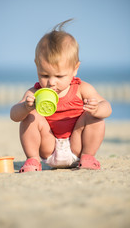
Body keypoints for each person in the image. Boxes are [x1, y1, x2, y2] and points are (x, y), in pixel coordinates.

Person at [10, 19, 112, 172]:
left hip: (76, 147)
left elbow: (107, 108)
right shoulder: (35, 92)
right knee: (30, 117)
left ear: (75, 69)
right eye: (44, 75)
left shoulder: (81, 88)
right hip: (48, 148)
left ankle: (89, 156)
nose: (51, 82)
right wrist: (25, 107)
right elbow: (14, 115)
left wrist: (97, 109)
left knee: (95, 118)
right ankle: (33, 160)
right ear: (36, 66)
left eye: (59, 76)